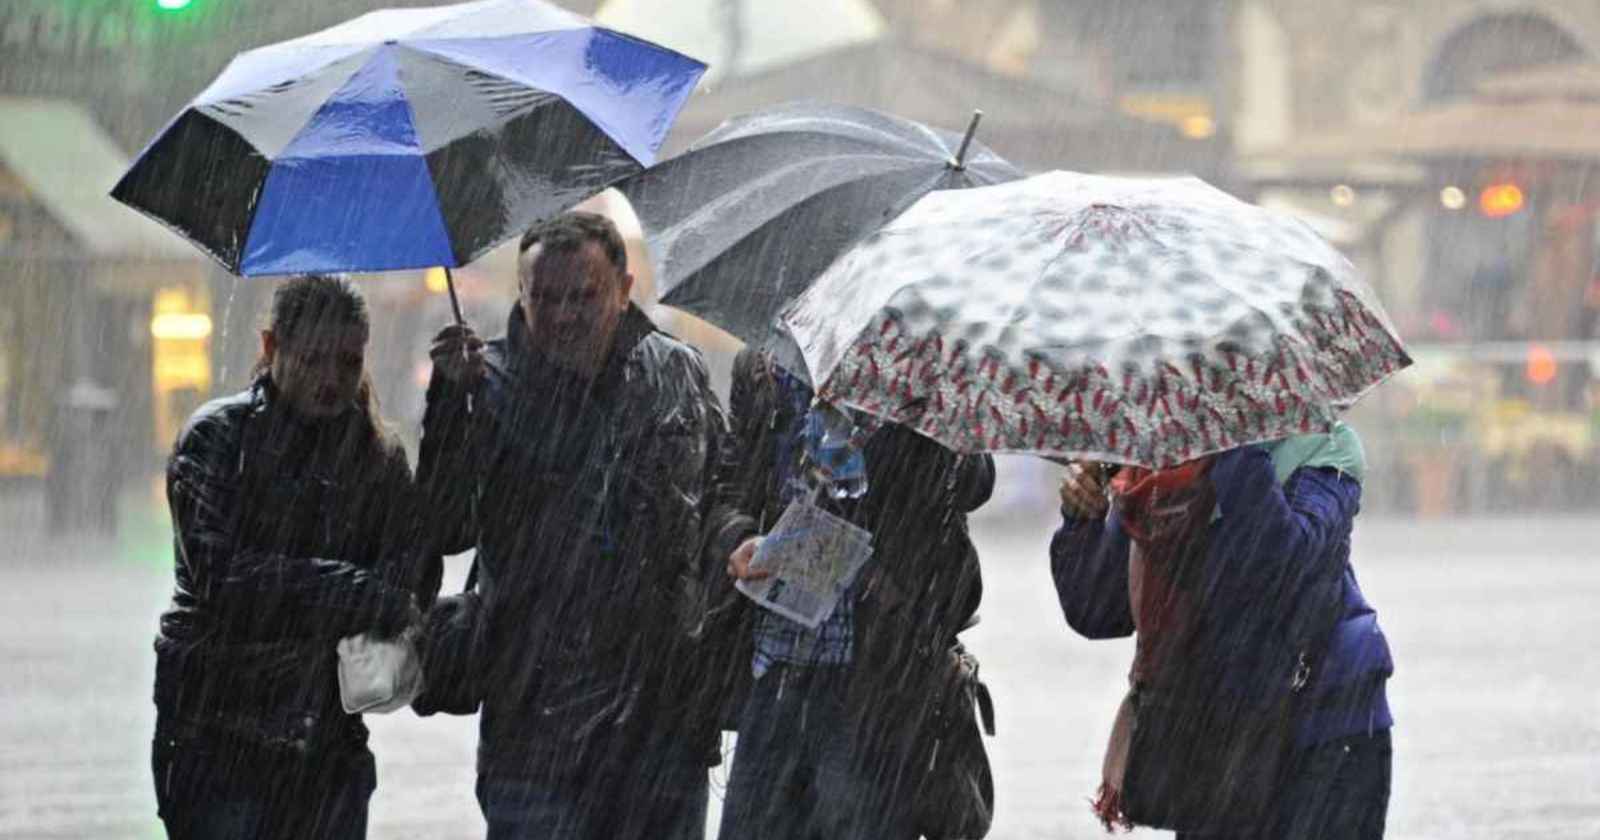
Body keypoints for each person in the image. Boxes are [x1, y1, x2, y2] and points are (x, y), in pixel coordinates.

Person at [417, 211, 725, 840]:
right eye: (546, 298)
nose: (563, 316)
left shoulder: (677, 372)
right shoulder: (486, 383)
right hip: (534, 726)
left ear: (624, 289)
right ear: (521, 295)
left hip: (660, 725)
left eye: (583, 296)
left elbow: (721, 496)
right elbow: (443, 526)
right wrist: (448, 408)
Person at [151, 274, 423, 839]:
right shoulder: (218, 439)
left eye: (348, 362)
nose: (332, 379)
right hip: (216, 733)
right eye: (313, 359)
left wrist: (454, 407)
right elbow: (222, 579)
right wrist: (349, 590)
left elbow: (410, 574)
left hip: (325, 741)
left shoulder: (375, 456)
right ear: (272, 347)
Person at [706, 348, 996, 840]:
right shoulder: (765, 367)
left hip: (877, 681)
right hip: (773, 670)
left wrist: (919, 411)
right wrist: (738, 537)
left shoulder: (919, 363)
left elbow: (975, 482)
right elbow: (728, 489)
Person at [1052, 425, 1394, 840]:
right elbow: (1100, 610)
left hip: (1324, 722)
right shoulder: (1157, 478)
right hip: (1214, 730)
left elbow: (1282, 566)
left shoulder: (1322, 446)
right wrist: (1082, 518)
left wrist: (1231, 446)